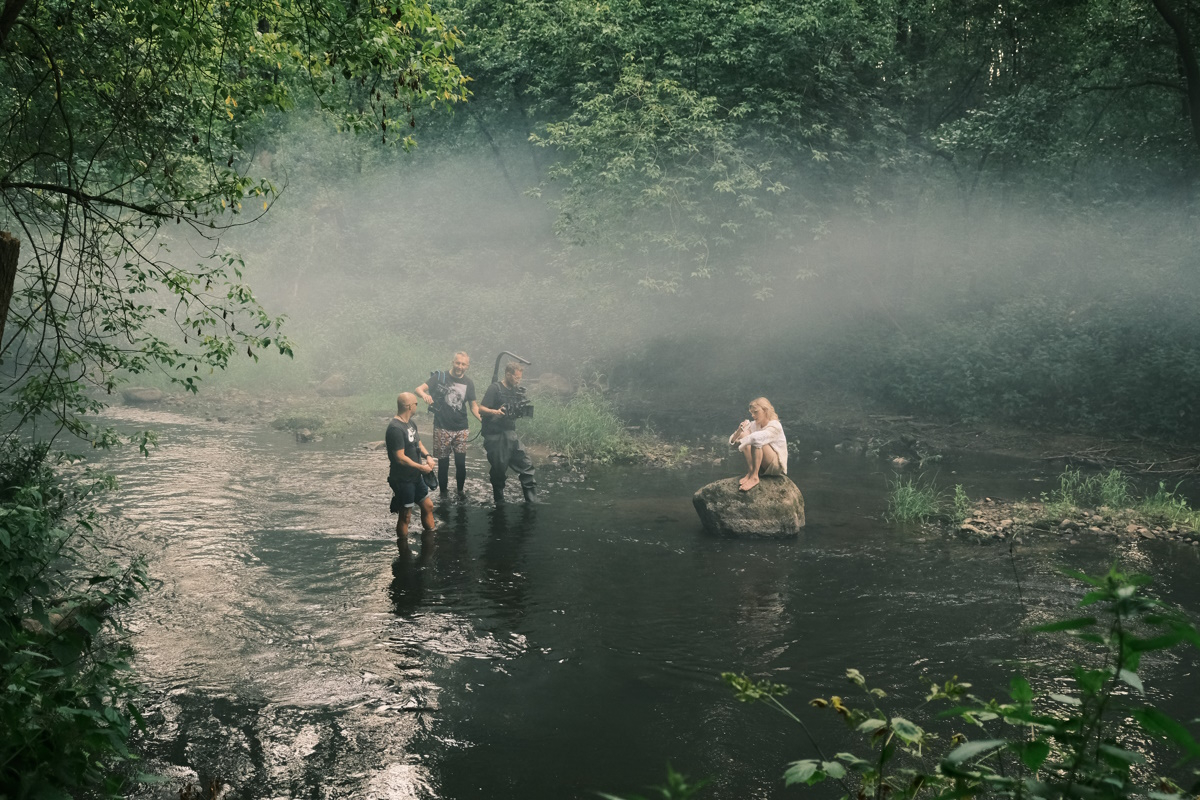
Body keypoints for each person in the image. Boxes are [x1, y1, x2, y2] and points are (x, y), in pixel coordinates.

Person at [415, 351, 482, 495]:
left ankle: (460, 492)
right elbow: (418, 389)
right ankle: (443, 494)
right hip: (441, 427)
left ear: (467, 366)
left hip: (461, 427)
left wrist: (482, 419)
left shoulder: (469, 383)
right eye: (458, 363)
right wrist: (425, 395)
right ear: (453, 362)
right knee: (443, 463)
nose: (460, 366)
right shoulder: (440, 377)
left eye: (463, 364)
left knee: (461, 463)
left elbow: (473, 406)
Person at [478, 361, 536, 505]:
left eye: (520, 378)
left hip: (511, 434)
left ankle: (532, 502)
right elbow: (481, 409)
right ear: (508, 374)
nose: (518, 380)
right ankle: (500, 503)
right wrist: (495, 412)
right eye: (516, 378)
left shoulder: (516, 391)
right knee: (499, 470)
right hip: (495, 436)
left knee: (526, 465)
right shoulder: (495, 388)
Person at [386, 392, 437, 544]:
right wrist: (421, 468)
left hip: (415, 477)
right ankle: (403, 549)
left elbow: (418, 444)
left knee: (428, 506)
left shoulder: (410, 423)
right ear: (409, 406)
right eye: (416, 403)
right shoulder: (395, 428)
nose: (417, 406)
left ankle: (431, 539)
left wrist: (427, 456)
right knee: (406, 515)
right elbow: (400, 458)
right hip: (402, 479)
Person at [729, 397, 788, 492]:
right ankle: (751, 471)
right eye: (752, 413)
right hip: (762, 464)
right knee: (745, 434)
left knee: (756, 439)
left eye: (756, 412)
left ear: (765, 410)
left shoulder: (775, 426)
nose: (753, 415)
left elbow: (756, 438)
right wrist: (739, 431)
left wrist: (741, 442)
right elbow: (732, 444)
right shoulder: (755, 424)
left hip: (775, 465)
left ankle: (755, 477)